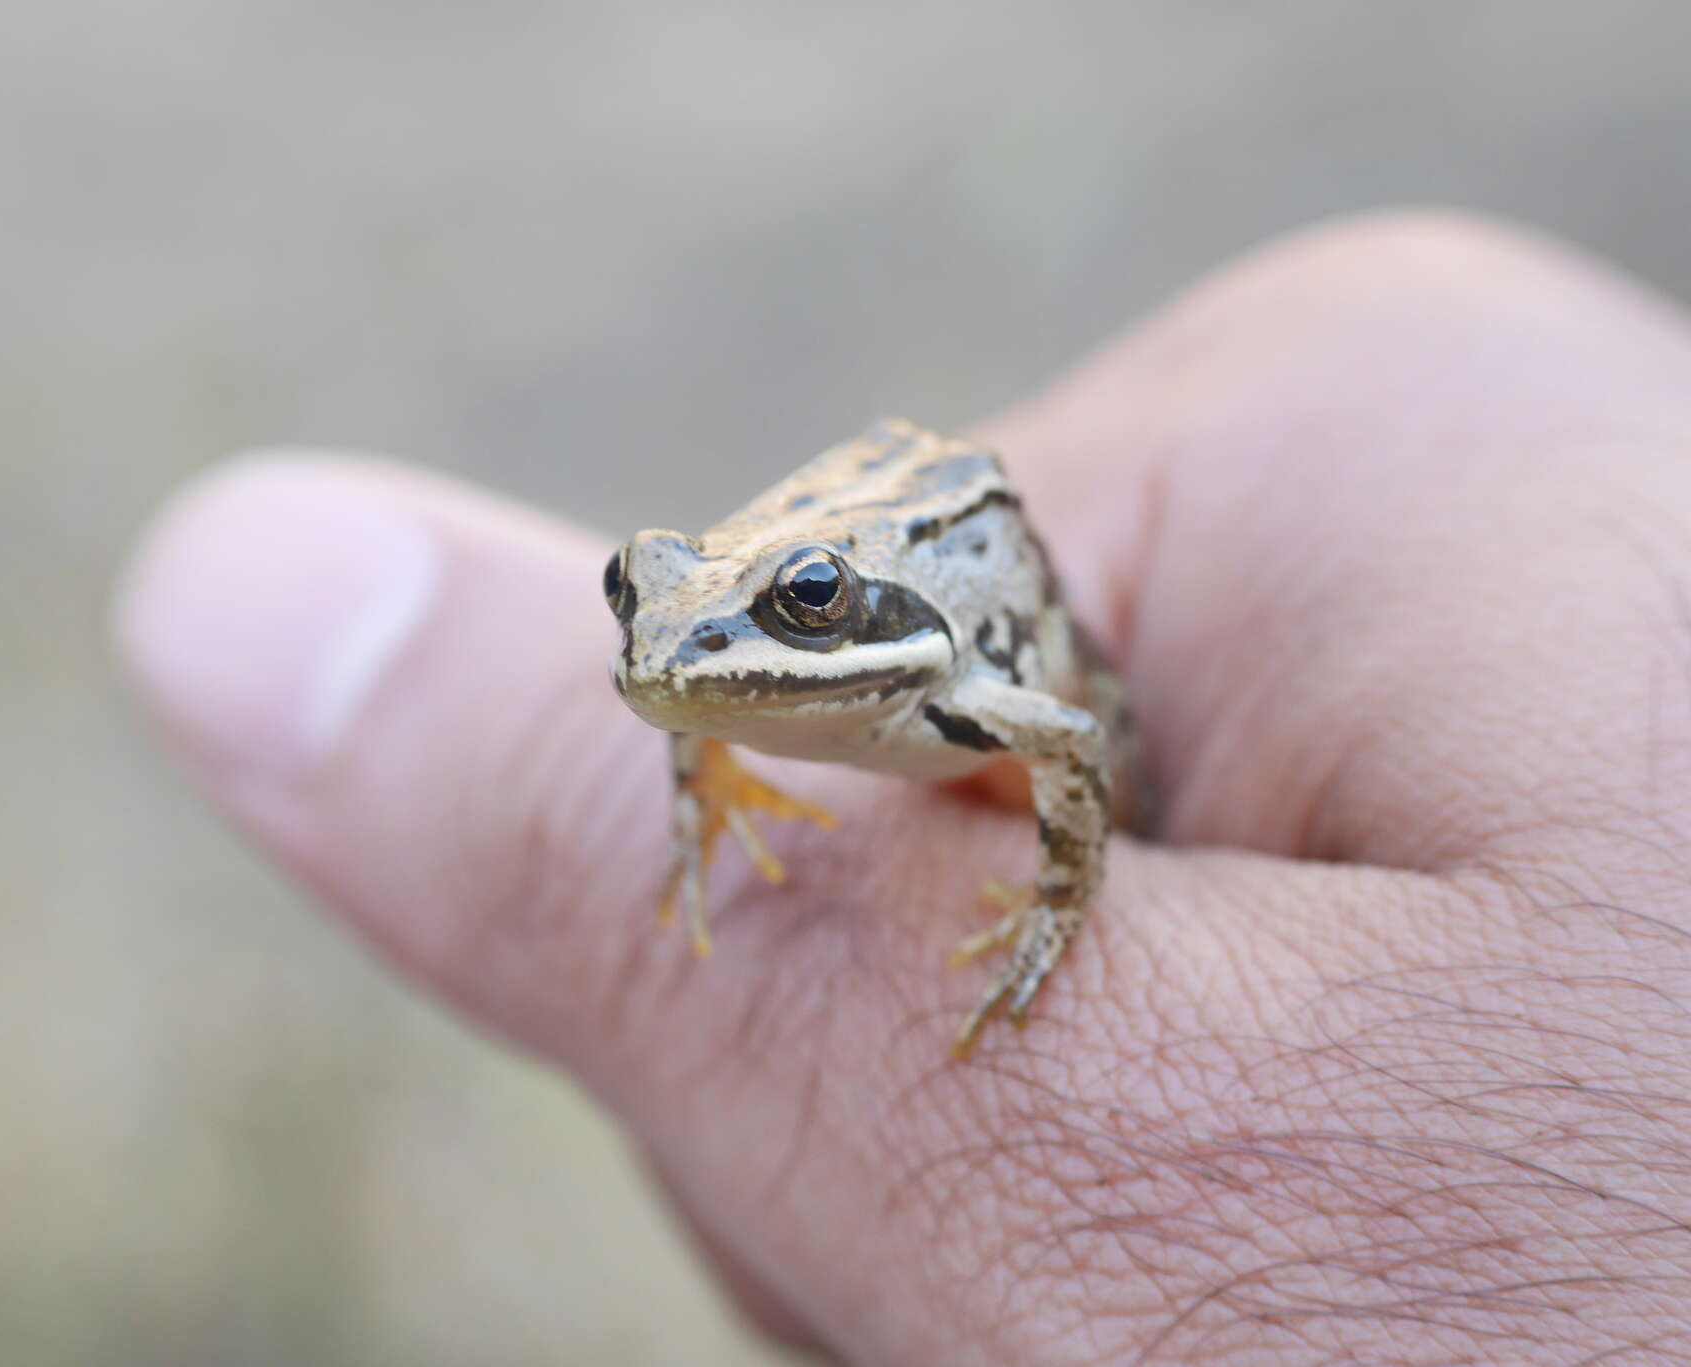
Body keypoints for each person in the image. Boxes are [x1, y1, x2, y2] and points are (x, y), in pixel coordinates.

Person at [118, 212, 1691, 1365]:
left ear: (844, 614)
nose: (674, 652)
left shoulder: (961, 685)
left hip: (966, 584)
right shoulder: (704, 658)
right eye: (634, 598)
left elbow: (1067, 739)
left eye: (793, 609)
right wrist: (705, 789)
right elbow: (692, 669)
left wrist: (1062, 905)